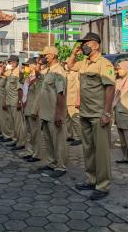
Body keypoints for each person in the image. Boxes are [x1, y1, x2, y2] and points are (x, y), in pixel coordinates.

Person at [67, 32, 115, 200]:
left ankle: (103, 185)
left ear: (95, 44)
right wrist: (74, 52)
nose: (84, 45)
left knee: (101, 152)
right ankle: (91, 179)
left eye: (86, 43)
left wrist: (107, 112)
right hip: (85, 113)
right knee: (88, 150)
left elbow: (110, 89)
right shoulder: (84, 62)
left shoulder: (104, 64)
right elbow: (69, 66)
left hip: (98, 114)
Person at [37, 46, 68, 178]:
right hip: (46, 112)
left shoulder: (59, 71)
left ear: (53, 56)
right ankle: (51, 163)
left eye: (46, 55)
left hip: (54, 112)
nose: (44, 57)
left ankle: (60, 167)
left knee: (58, 141)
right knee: (49, 140)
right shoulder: (48, 71)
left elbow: (60, 94)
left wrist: (59, 113)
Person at [21, 58, 43, 162]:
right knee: (29, 132)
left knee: (35, 134)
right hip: (26, 108)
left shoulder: (38, 79)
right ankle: (30, 152)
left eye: (28, 65)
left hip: (33, 109)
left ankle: (37, 154)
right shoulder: (28, 77)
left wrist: (35, 110)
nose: (26, 67)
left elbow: (39, 95)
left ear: (34, 66)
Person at [3, 55, 27, 151]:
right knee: (12, 123)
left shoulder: (18, 72)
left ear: (16, 62)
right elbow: (3, 74)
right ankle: (15, 139)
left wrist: (19, 102)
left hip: (15, 101)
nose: (10, 64)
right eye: (9, 62)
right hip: (9, 100)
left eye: (12, 62)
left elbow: (20, 88)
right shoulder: (11, 72)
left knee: (18, 124)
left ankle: (21, 142)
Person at [63, 60, 82, 146]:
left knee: (75, 120)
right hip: (65, 100)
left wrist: (78, 100)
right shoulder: (65, 74)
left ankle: (78, 137)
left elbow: (79, 88)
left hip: (73, 100)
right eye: (64, 64)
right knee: (67, 119)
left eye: (66, 63)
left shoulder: (76, 74)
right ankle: (70, 135)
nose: (65, 65)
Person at [0, 61, 13, 142]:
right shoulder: (0, 77)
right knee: (1, 119)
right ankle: (4, 134)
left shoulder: (6, 77)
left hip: (3, 100)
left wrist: (5, 101)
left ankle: (8, 135)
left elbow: (6, 90)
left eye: (0, 67)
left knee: (5, 119)